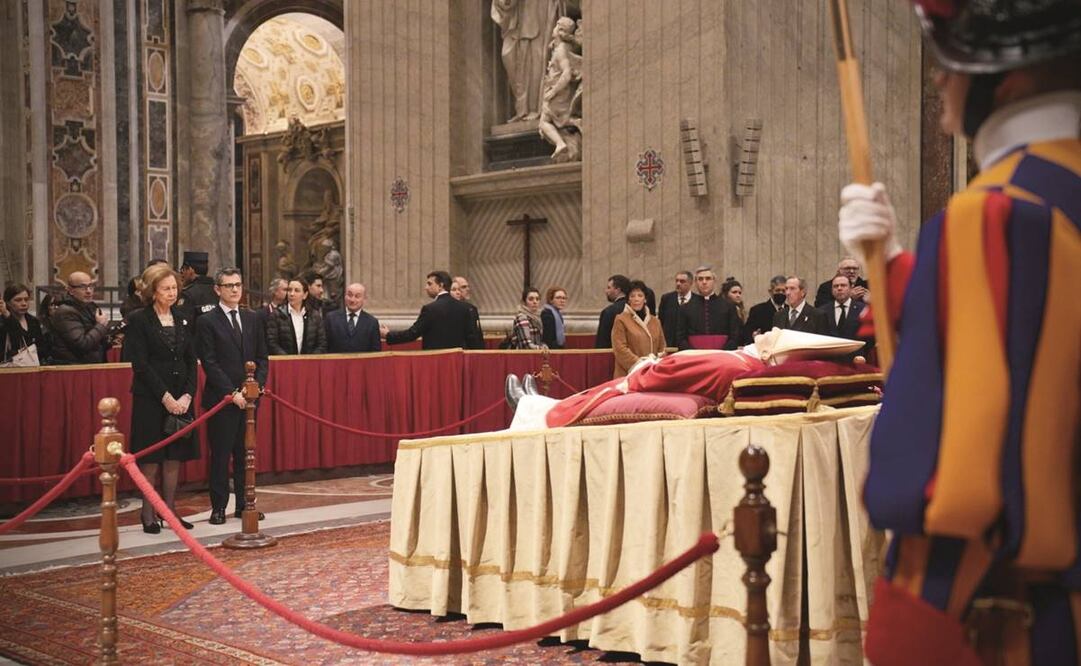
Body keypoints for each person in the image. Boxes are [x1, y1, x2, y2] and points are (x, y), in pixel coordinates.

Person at [837, 2, 1081, 663]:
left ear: (1007, 80)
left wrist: (913, 623)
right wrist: (893, 266)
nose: (940, 79)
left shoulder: (993, 214)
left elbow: (960, 482)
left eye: (953, 62)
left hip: (1027, 616)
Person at [123, 263, 198, 534]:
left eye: (174, 288)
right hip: (151, 398)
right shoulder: (139, 319)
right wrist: (165, 397)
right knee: (151, 458)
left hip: (181, 397)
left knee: (174, 458)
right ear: (153, 291)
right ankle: (148, 513)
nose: (172, 293)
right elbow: (141, 365)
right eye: (166, 288)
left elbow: (191, 360)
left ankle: (170, 510)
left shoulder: (183, 316)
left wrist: (188, 394)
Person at [195, 268, 269, 525]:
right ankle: (218, 508)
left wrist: (256, 387)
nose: (235, 289)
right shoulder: (207, 321)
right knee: (221, 455)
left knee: (245, 455)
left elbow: (262, 357)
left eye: (238, 284)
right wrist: (232, 393)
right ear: (218, 289)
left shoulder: (252, 318)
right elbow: (209, 362)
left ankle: (244, 504)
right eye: (229, 286)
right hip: (222, 400)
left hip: (250, 400)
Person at [381, 270, 474, 350]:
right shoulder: (465, 308)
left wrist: (388, 335)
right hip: (457, 361)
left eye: (430, 284)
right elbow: (471, 338)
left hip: (436, 361)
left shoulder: (430, 309)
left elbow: (412, 334)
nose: (426, 288)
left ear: (440, 285)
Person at [50, 271, 111, 364]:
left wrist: (110, 338)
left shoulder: (89, 307)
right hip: (74, 367)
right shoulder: (65, 312)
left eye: (91, 286)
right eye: (83, 287)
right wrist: (100, 325)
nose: (89, 291)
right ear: (71, 290)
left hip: (90, 365)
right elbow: (82, 345)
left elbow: (96, 341)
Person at [675, 267, 742, 350]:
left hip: (722, 355)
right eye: (700, 279)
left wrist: (722, 353)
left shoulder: (729, 307)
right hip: (694, 355)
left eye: (708, 278)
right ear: (695, 283)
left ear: (714, 281)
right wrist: (693, 353)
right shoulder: (685, 308)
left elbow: (734, 336)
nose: (704, 282)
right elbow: (680, 338)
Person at [610, 280, 665, 378]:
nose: (636, 299)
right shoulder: (621, 319)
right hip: (628, 374)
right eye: (632, 296)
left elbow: (662, 347)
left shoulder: (655, 321)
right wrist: (640, 364)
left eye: (640, 295)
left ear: (645, 299)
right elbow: (620, 348)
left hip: (652, 373)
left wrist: (656, 362)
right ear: (628, 299)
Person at [266, 277, 327, 355]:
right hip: (285, 361)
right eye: (289, 290)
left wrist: (309, 359)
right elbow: (272, 343)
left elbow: (322, 344)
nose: (292, 294)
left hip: (309, 361)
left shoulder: (315, 316)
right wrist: (289, 359)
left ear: (305, 295)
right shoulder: (277, 315)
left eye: (296, 290)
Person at [325, 283, 381, 353]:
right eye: (350, 295)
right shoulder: (331, 318)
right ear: (345, 296)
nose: (352, 300)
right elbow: (325, 346)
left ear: (364, 299)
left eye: (357, 296)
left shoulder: (372, 322)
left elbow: (376, 351)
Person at [1, 283, 47, 365]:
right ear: (8, 303)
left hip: (32, 366)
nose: (24, 303)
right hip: (9, 368)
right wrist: (7, 315)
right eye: (18, 300)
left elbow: (42, 346)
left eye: (26, 299)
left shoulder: (33, 321)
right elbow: (18, 334)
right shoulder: (2, 322)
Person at [744, 275, 788, 343]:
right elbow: (747, 333)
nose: (781, 293)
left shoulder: (790, 310)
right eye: (777, 290)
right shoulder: (757, 311)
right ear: (770, 291)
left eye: (783, 291)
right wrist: (754, 336)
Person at [657, 270, 694, 347]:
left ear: (690, 283)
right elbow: (661, 321)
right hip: (669, 344)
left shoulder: (697, 300)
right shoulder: (666, 299)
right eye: (677, 281)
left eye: (682, 281)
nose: (678, 284)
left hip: (689, 345)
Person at [822, 274, 864, 341]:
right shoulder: (823, 311)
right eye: (836, 286)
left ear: (851, 288)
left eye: (843, 285)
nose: (839, 288)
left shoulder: (862, 309)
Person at [178, 250, 217, 320]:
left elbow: (183, 320)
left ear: (190, 270)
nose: (182, 274)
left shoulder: (188, 294)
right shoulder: (219, 290)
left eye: (183, 269)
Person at [594, 274, 629, 348]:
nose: (606, 291)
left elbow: (602, 342)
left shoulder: (608, 312)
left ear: (617, 290)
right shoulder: (634, 308)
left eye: (609, 288)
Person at [452, 276, 485, 349]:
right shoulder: (450, 310)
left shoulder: (472, 309)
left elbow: (478, 334)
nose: (468, 289)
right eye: (463, 287)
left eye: (468, 286)